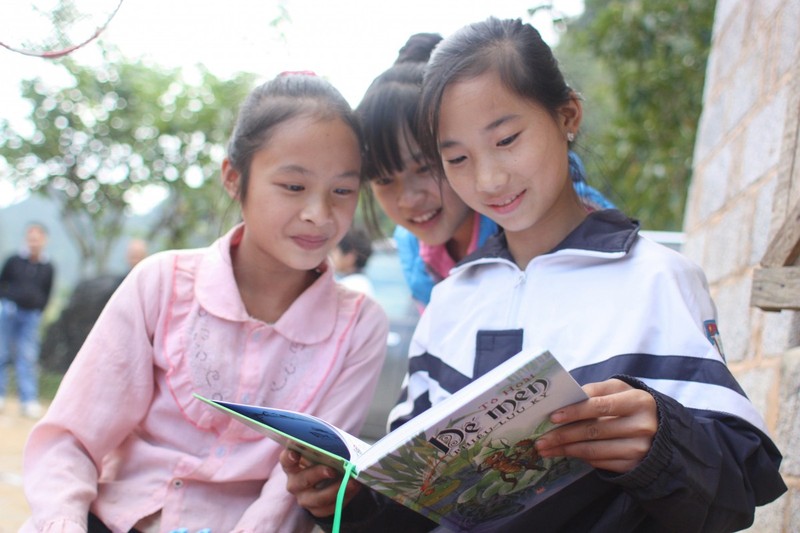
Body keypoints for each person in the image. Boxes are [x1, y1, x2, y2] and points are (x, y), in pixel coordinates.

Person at [281, 18, 787, 532]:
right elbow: (411, 501)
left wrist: (661, 441)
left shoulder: (656, 279)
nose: (488, 178)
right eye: (456, 158)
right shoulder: (451, 301)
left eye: (507, 139)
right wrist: (346, 495)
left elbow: (737, 490)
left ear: (567, 115)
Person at [22, 72, 389, 533]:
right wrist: (62, 522)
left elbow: (284, 496)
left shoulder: (358, 326)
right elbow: (71, 439)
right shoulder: (160, 283)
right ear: (235, 179)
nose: (319, 212)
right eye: (293, 187)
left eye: (342, 190)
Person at [356, 32, 614, 309]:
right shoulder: (411, 247)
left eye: (425, 168)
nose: (409, 199)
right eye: (383, 179)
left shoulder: (540, 217)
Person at [0, 222, 55, 419]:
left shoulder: (47, 266)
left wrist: (39, 309)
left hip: (31, 316)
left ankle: (28, 399)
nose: (34, 242)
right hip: (9, 312)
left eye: (37, 238)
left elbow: (48, 291)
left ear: (44, 240)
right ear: (26, 239)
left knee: (27, 357)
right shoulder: (13, 260)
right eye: (31, 238)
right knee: (2, 353)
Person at [331, 226, 375, 297]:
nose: (331, 256)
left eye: (335, 251)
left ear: (349, 256)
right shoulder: (362, 283)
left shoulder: (351, 286)